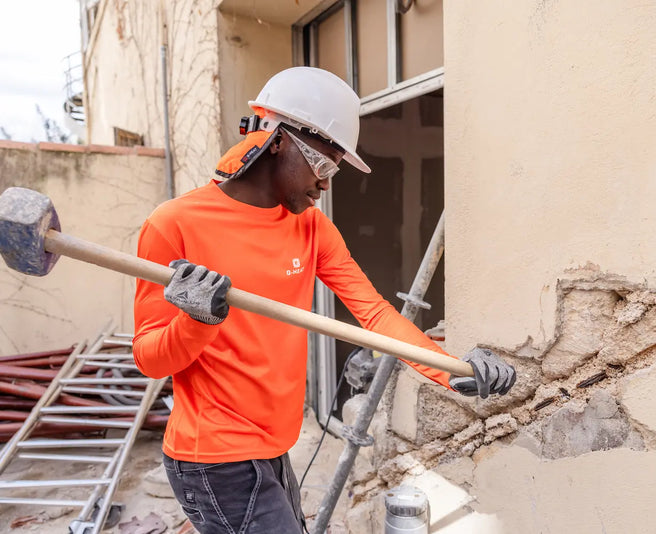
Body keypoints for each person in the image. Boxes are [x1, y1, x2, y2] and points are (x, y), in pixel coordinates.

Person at [132, 66, 516, 534]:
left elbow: (372, 312)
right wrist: (195, 321)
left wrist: (451, 371)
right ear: (278, 141)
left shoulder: (310, 227)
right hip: (214, 456)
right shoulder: (174, 224)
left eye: (332, 169)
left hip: (272, 448)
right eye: (322, 165)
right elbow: (150, 360)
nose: (325, 184)